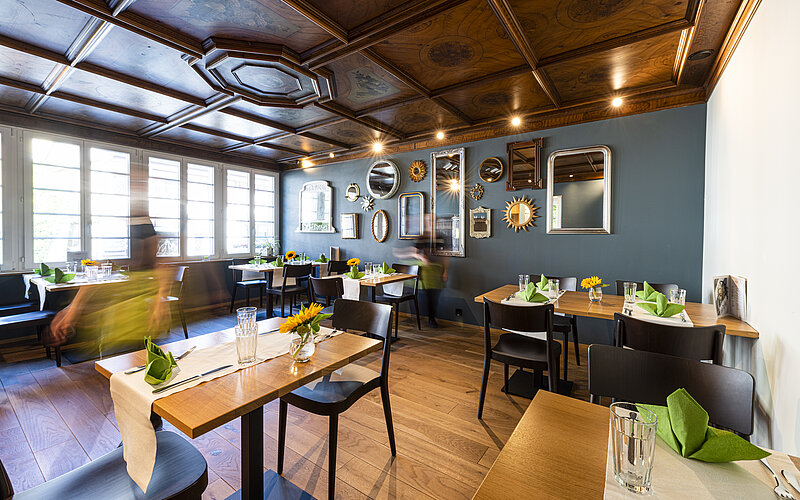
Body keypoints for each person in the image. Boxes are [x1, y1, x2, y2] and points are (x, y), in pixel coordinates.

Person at [49, 213, 172, 354]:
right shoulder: (130, 267)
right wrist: (71, 310)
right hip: (118, 332)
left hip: (133, 331)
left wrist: (160, 300)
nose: (149, 248)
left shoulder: (151, 270)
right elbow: (92, 284)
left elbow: (161, 270)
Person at [395, 214, 449, 328]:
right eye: (429, 220)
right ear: (425, 222)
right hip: (425, 272)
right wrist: (421, 257)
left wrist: (445, 271)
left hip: (437, 271)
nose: (431, 222)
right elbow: (415, 253)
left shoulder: (441, 237)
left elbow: (445, 257)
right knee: (426, 295)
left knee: (434, 296)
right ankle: (424, 318)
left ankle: (431, 318)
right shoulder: (421, 237)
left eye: (433, 220)